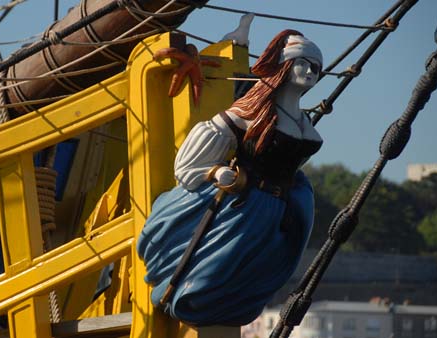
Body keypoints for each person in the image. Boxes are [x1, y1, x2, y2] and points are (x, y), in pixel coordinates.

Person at [136, 29, 324, 326]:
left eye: (316, 67)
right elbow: (194, 153)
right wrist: (215, 171)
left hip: (277, 212)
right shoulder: (251, 112)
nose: (311, 72)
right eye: (304, 63)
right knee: (212, 273)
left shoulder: (303, 122)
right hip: (242, 210)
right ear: (285, 66)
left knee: (254, 276)